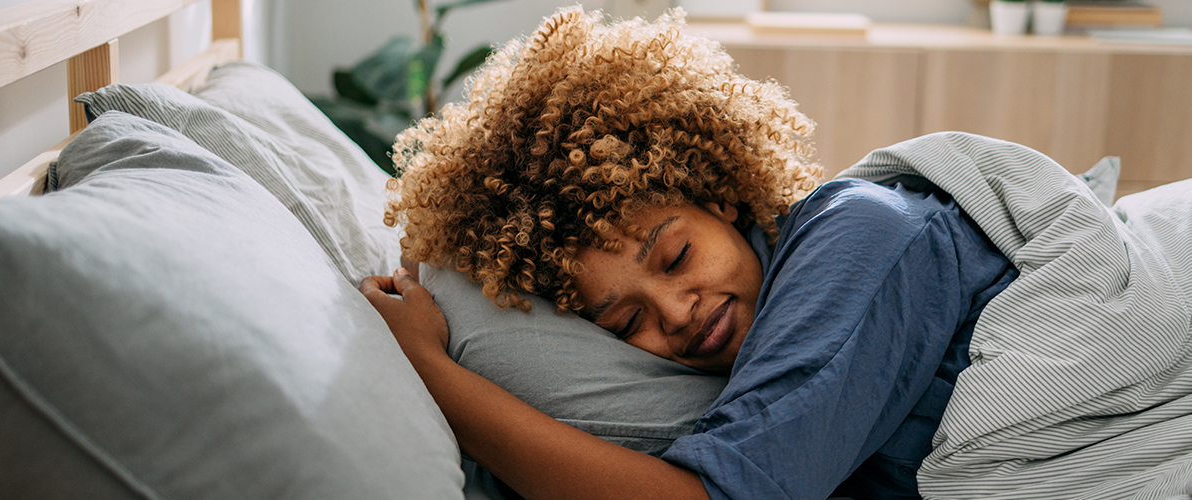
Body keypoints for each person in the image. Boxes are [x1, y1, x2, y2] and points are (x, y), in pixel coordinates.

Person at [358, 7, 1018, 500]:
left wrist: (429, 367)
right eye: (625, 323)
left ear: (720, 198)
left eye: (675, 257)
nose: (674, 314)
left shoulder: (857, 238)